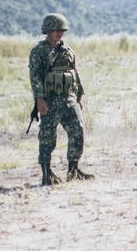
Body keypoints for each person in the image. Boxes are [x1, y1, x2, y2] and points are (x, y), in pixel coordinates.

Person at [28, 13, 93, 186]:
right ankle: (46, 173)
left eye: (62, 30)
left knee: (78, 132)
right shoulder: (39, 52)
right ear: (47, 30)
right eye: (56, 30)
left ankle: (73, 170)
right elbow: (35, 77)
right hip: (50, 101)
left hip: (69, 99)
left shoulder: (67, 51)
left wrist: (80, 94)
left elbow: (75, 73)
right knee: (47, 137)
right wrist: (39, 99)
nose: (59, 33)